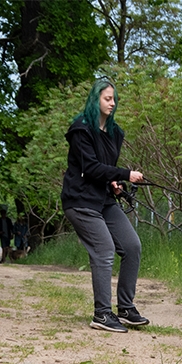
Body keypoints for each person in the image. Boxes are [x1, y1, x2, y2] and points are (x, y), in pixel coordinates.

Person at [61, 79, 149, 333]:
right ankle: (102, 313)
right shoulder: (81, 129)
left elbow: (103, 170)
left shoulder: (115, 133)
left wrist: (114, 183)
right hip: (80, 201)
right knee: (104, 249)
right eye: (107, 98)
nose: (112, 103)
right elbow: (89, 167)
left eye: (114, 99)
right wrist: (125, 173)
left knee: (132, 246)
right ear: (95, 99)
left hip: (103, 200)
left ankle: (125, 308)